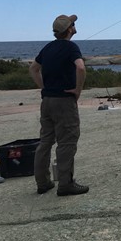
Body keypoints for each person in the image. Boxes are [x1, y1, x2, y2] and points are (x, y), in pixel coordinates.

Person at [29, 14, 89, 196]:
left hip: (47, 101)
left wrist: (44, 88)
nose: (75, 26)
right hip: (64, 101)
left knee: (45, 141)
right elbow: (80, 67)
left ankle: (43, 182)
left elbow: (33, 68)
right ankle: (65, 184)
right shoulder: (71, 47)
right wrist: (77, 90)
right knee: (67, 141)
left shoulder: (47, 48)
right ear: (69, 29)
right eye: (73, 24)